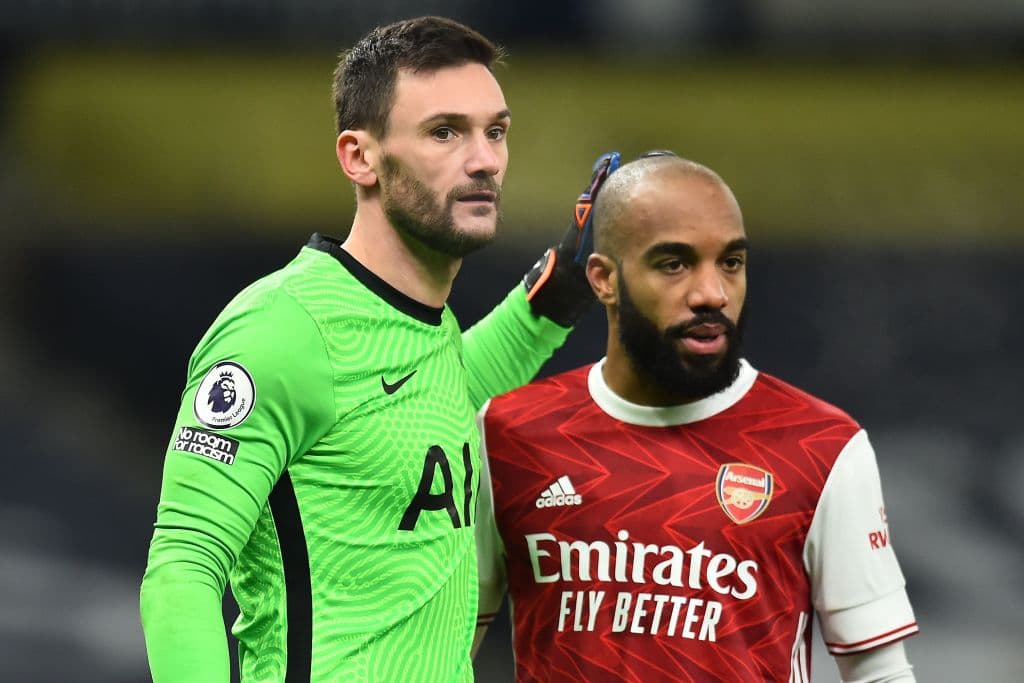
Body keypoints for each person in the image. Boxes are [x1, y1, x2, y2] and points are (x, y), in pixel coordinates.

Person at [139, 16, 621, 683]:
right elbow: (183, 567)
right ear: (359, 156)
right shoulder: (281, 329)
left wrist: (557, 293)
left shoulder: (420, 325)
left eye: (496, 131)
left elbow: (437, 393)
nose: (484, 158)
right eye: (445, 131)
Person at [474, 153, 919, 682]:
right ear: (603, 280)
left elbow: (879, 673)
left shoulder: (821, 447)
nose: (712, 294)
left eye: (731, 262)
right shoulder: (507, 434)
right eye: (674, 264)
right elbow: (440, 648)